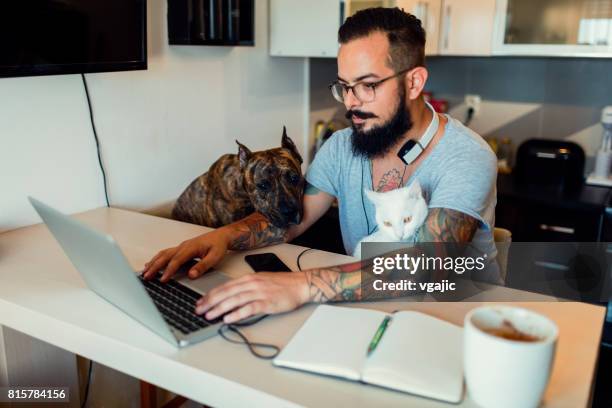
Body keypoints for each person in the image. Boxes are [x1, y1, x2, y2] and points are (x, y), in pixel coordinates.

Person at [142, 7, 497, 324]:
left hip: (458, 321)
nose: (351, 103)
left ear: (414, 82)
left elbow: (424, 270)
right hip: (373, 313)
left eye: (368, 86)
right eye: (344, 87)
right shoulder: (342, 145)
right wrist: (221, 237)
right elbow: (292, 220)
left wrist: (299, 286)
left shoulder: (466, 157)